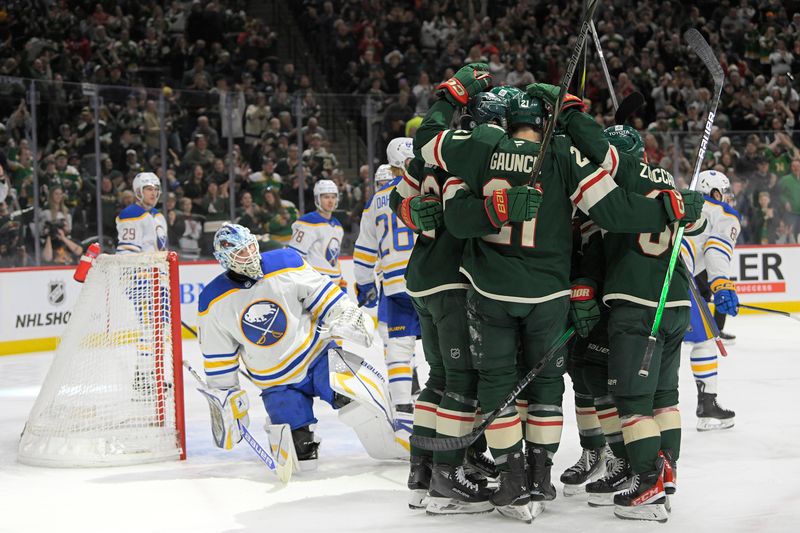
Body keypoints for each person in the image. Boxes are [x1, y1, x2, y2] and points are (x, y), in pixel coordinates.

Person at [414, 65, 703, 521]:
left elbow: (431, 156)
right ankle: (539, 475)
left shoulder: (479, 147)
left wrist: (451, 95)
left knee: (494, 386)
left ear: (507, 121)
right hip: (550, 293)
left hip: (488, 289)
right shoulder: (564, 152)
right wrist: (666, 208)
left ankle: (509, 480)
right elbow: (611, 208)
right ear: (546, 120)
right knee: (549, 386)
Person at [197, 223, 403, 476]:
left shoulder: (284, 262)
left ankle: (396, 445)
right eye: (240, 253)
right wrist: (226, 400)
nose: (250, 255)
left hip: (319, 359)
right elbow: (220, 360)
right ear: (225, 259)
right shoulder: (213, 301)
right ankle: (292, 438)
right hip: (277, 384)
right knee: (300, 461)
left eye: (251, 247)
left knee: (363, 404)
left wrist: (345, 315)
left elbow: (324, 295)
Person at [390, 92, 511, 515]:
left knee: (438, 379)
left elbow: (397, 195)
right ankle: (447, 479)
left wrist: (408, 208)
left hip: (421, 276)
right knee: (460, 381)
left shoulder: (431, 149)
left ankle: (420, 473)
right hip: (452, 280)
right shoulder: (477, 152)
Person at [580, 125, 707, 522]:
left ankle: (647, 484)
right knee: (664, 397)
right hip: (677, 300)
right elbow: (699, 225)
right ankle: (666, 472)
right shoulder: (667, 179)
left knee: (633, 402)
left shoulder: (614, 178)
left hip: (637, 304)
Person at [353, 163, 419, 451]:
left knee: (397, 351)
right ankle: (450, 413)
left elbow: (364, 252)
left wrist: (365, 285)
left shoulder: (373, 203)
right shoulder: (422, 186)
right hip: (429, 280)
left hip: (392, 285)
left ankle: (404, 423)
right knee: (445, 351)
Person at [681, 170, 740, 431]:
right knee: (705, 341)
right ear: (716, 192)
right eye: (724, 192)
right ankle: (707, 407)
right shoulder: (722, 212)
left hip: (640, 274)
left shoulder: (676, 199)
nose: (726, 197)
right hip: (675, 278)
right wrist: (723, 285)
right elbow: (716, 250)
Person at [289, 180, 344, 286]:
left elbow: (335, 259)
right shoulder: (307, 222)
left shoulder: (338, 225)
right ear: (317, 199)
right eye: (326, 197)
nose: (330, 201)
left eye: (333, 197)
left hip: (334, 285)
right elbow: (295, 256)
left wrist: (341, 282)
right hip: (315, 283)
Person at [116, 172, 167, 253]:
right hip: (141, 265)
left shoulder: (158, 215)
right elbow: (127, 254)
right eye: (149, 189)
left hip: (157, 264)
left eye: (156, 189)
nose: (154, 193)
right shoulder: (131, 214)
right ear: (139, 192)